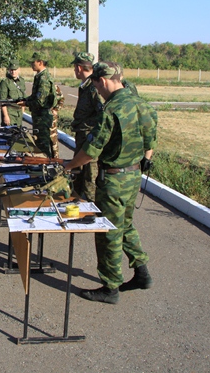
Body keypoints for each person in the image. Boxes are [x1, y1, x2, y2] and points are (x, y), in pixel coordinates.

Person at [64, 62, 157, 304]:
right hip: (133, 176)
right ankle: (142, 272)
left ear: (102, 81)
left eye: (96, 86)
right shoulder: (143, 105)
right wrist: (144, 160)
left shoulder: (111, 110)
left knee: (108, 232)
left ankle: (110, 287)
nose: (97, 91)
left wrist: (69, 166)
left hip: (114, 179)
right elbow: (150, 143)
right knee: (125, 225)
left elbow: (91, 151)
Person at [70, 52, 102, 202]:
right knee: (78, 174)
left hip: (90, 139)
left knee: (90, 177)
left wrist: (89, 130)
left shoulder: (93, 87)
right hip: (82, 137)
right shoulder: (85, 86)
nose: (74, 70)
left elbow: (102, 115)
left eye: (75, 67)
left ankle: (91, 209)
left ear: (79, 68)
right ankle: (77, 202)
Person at [17, 52, 60, 158]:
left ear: (40, 62)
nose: (31, 64)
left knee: (42, 146)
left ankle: (46, 165)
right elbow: (35, 96)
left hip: (43, 117)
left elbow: (40, 101)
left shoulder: (43, 78)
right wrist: (25, 99)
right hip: (39, 117)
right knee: (39, 143)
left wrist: (26, 103)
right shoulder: (40, 76)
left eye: (33, 62)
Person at [0, 60, 26, 127]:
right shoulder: (5, 82)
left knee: (18, 131)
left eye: (15, 70)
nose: (13, 72)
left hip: (19, 112)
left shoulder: (22, 81)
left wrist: (22, 111)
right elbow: (2, 101)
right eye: (11, 70)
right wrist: (6, 116)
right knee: (9, 131)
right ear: (9, 70)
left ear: (19, 69)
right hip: (10, 112)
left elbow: (23, 97)